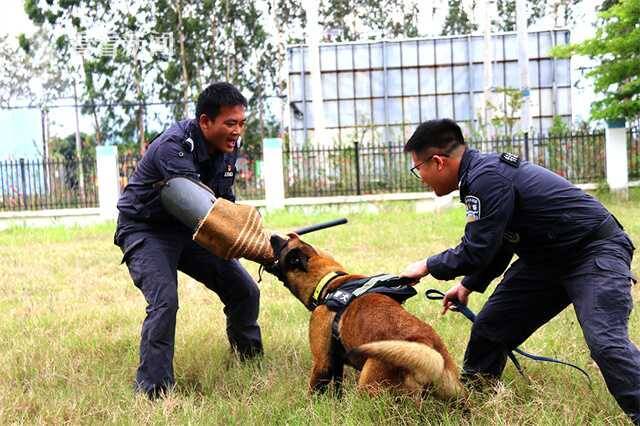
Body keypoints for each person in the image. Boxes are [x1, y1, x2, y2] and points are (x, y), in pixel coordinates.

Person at [400, 118, 639, 423]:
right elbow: (499, 242)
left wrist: (426, 266)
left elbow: (476, 249)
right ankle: (475, 398)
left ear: (438, 162)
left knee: (605, 342)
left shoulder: (485, 177)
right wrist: (469, 285)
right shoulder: (481, 175)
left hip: (592, 252)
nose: (419, 176)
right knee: (490, 327)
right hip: (546, 261)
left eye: (417, 168)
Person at [114, 82, 263, 399]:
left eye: (241, 123)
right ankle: (153, 390)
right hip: (146, 228)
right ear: (205, 121)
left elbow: (225, 205)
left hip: (193, 228)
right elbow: (202, 209)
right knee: (164, 301)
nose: (237, 131)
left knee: (245, 291)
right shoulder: (174, 146)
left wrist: (265, 244)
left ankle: (250, 361)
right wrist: (251, 244)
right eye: (230, 123)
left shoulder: (228, 148)